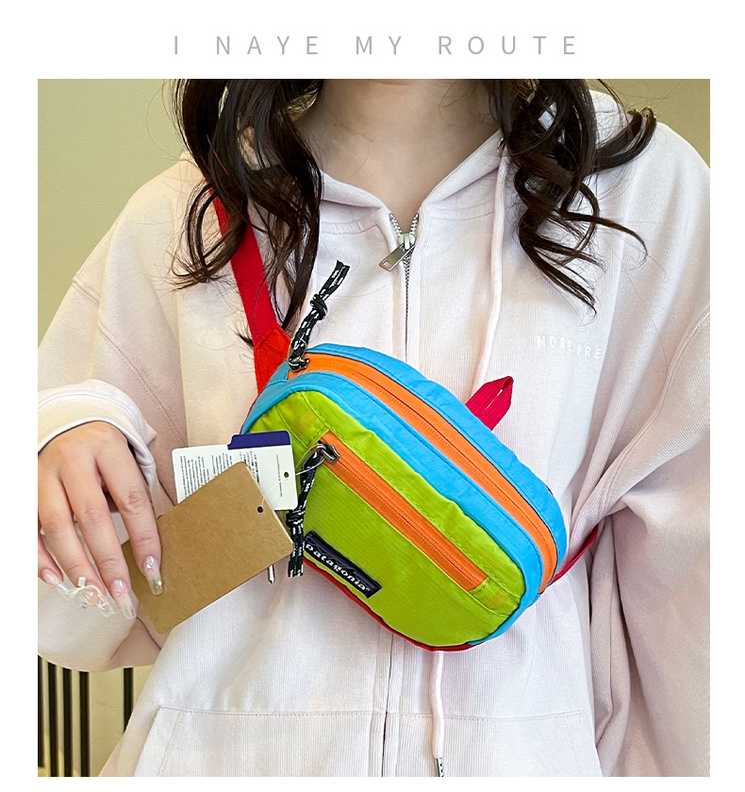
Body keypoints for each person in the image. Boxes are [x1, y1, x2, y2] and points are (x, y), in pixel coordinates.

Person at [37, 80, 709, 777]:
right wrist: (63, 434)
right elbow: (73, 613)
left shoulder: (638, 189)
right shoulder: (187, 211)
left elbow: (700, 572)